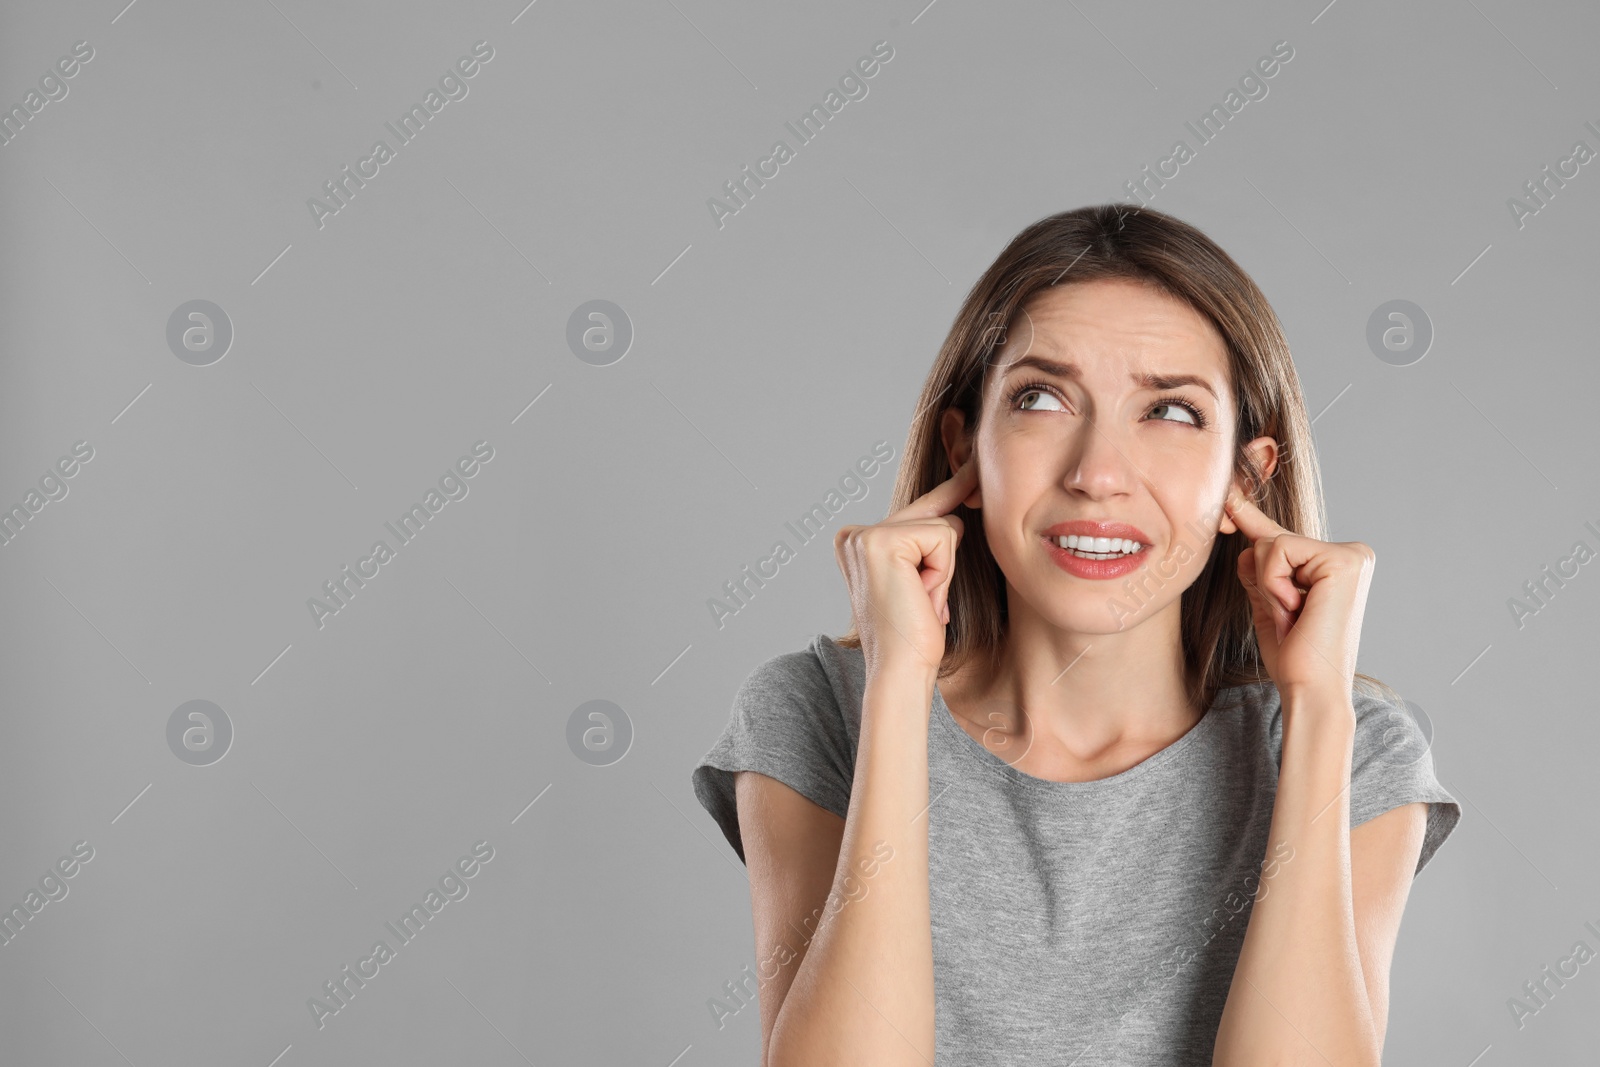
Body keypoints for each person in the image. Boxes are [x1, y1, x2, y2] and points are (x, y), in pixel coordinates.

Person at [690, 204, 1460, 1066]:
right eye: (1042, 398)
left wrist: (1319, 707)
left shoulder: (1355, 751)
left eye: (1170, 411)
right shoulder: (816, 711)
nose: (1097, 474)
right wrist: (898, 687)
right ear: (965, 450)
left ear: (1247, 473)